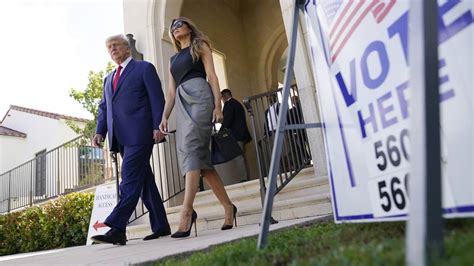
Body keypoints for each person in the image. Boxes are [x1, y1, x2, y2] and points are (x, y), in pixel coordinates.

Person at [159, 17, 237, 238]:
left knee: (193, 150)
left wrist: (218, 105)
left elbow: (212, 76)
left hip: (201, 97)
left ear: (190, 27)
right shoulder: (173, 59)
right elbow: (171, 92)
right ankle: (229, 207)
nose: (175, 27)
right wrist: (165, 116)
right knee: (201, 162)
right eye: (172, 26)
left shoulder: (199, 46)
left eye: (179, 23)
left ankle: (186, 212)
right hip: (182, 104)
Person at [91, 34, 171, 245]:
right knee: (144, 181)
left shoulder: (144, 68)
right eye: (109, 48)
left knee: (129, 177)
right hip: (121, 137)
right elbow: (104, 108)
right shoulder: (108, 79)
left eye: (116, 45)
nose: (113, 49)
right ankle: (161, 225)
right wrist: (100, 131)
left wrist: (158, 125)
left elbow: (157, 98)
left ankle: (117, 227)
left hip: (141, 133)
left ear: (127, 49)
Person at [221, 89, 251, 181]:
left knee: (238, 157)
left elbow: (227, 120)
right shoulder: (238, 104)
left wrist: (221, 131)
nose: (221, 100)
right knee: (242, 157)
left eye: (222, 97)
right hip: (243, 135)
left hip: (235, 135)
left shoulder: (228, 104)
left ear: (225, 96)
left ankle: (243, 179)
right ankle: (246, 178)